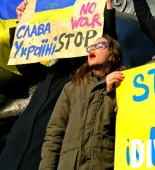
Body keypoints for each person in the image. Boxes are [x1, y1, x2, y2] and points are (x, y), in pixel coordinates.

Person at [0, 0, 118, 170]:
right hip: (17, 145)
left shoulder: (81, 80)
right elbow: (23, 62)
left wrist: (108, 6)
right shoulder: (49, 73)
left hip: (43, 151)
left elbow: (108, 44)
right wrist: (21, 22)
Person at [39, 34, 124, 170]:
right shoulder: (72, 87)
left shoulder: (123, 83)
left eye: (100, 46)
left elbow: (130, 125)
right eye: (91, 47)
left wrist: (110, 94)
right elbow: (54, 133)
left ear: (112, 56)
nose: (93, 49)